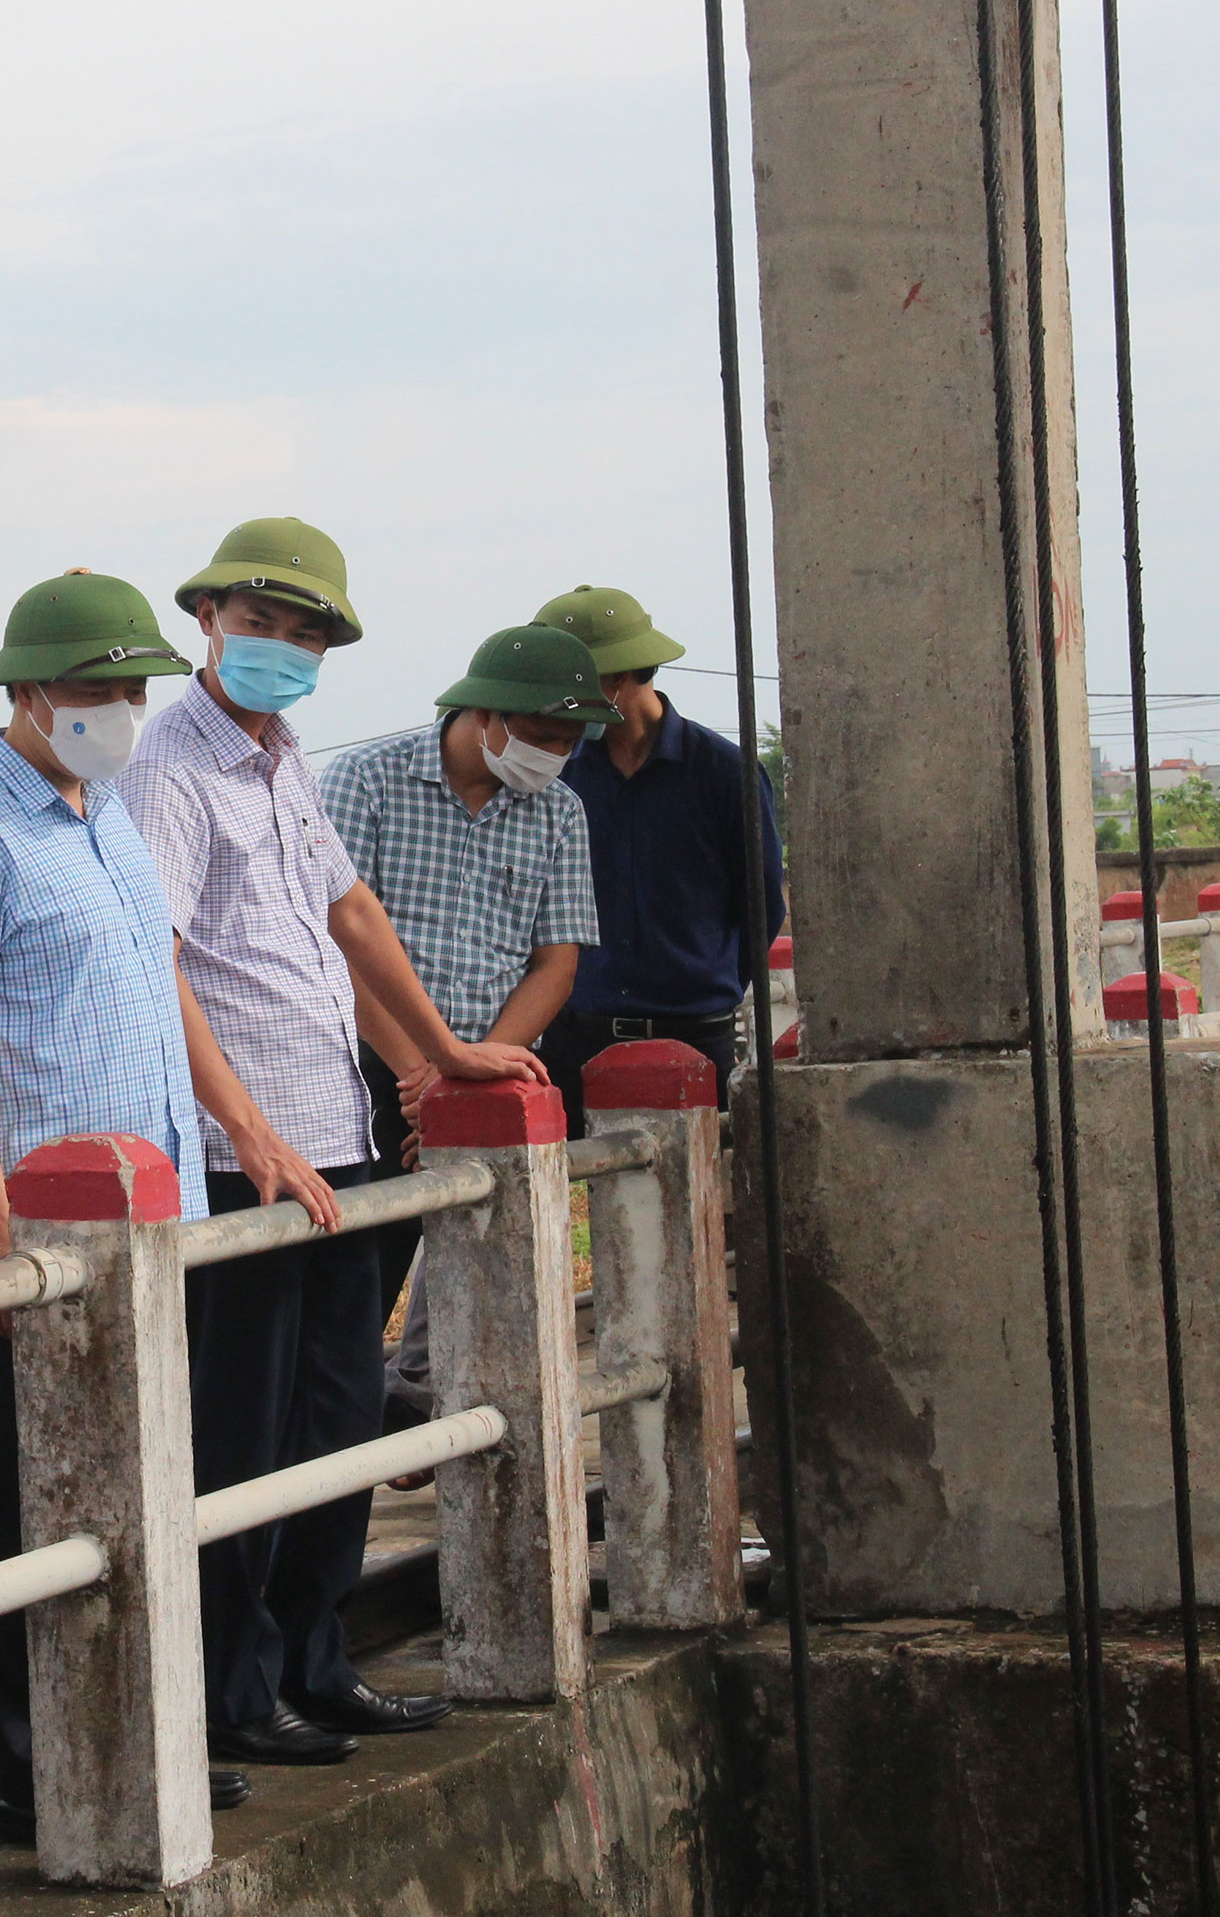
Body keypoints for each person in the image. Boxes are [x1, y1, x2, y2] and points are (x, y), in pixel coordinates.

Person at [120, 517, 550, 1769]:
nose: (279, 646)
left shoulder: (283, 759)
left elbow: (348, 910)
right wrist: (245, 1128)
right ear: (208, 620)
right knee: (242, 1432)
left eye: (302, 632)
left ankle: (316, 1657)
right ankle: (234, 1690)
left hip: (332, 1132)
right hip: (243, 1155)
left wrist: (441, 1050)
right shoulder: (171, 770)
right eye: (258, 621)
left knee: (340, 1416)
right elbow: (161, 958)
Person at [0, 570, 254, 1844]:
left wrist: (244, 1133)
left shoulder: (110, 817)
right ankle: (33, 1765)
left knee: (145, 1480)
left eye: (135, 688)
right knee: (29, 1496)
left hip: (155, 1211)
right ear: (31, 691)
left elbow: (164, 984)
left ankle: (136, 1732)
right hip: (42, 1230)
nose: (123, 710)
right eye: (100, 688)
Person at [319, 624, 609, 1444]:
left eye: (569, 741)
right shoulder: (369, 781)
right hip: (368, 1070)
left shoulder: (559, 810)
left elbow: (555, 963)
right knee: (354, 1290)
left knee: (489, 1290)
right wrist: (423, 1071)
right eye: (543, 735)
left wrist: (475, 1070)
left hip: (491, 1082)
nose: (555, 754)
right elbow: (336, 940)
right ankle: (338, 1463)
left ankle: (452, 1447)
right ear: (484, 715)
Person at [528, 585, 785, 1118]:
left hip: (696, 1039)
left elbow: (762, 905)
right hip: (573, 1041)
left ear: (619, 678)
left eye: (571, 685)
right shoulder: (555, 776)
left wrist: (704, 986)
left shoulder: (725, 773)